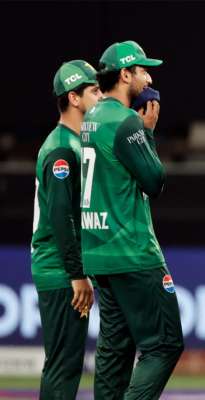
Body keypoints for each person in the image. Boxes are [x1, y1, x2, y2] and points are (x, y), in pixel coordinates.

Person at [81, 40, 183, 399]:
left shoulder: (92, 118)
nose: (148, 77)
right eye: (142, 70)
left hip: (99, 252)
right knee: (165, 344)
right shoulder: (125, 121)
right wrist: (148, 132)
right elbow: (155, 182)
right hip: (132, 251)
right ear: (125, 75)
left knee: (115, 351)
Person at [31, 59, 101, 399]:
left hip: (64, 268)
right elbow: (60, 216)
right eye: (94, 91)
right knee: (64, 365)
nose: (101, 96)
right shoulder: (62, 148)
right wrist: (76, 274)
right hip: (59, 270)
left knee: (68, 363)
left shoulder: (76, 142)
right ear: (74, 98)